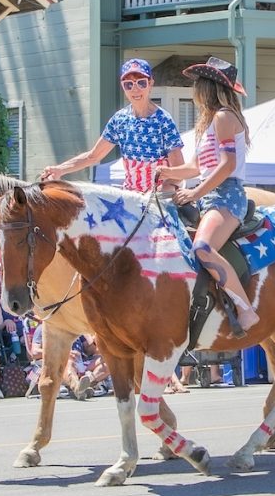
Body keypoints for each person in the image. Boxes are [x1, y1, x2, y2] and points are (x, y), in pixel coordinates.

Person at [157, 57, 258, 335]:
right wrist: (166, 172)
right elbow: (196, 167)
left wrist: (193, 192)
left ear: (208, 87)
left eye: (197, 85)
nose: (194, 92)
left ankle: (245, 309)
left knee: (202, 247)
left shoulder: (224, 117)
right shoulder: (212, 122)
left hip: (226, 196)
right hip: (210, 194)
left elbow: (226, 165)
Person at [42, 58, 185, 193]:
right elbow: (93, 156)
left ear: (151, 83)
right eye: (128, 84)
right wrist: (60, 170)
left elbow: (179, 171)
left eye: (141, 83)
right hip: (130, 198)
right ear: (123, 87)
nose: (135, 89)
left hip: (158, 199)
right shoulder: (120, 119)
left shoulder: (163, 120)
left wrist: (159, 192)